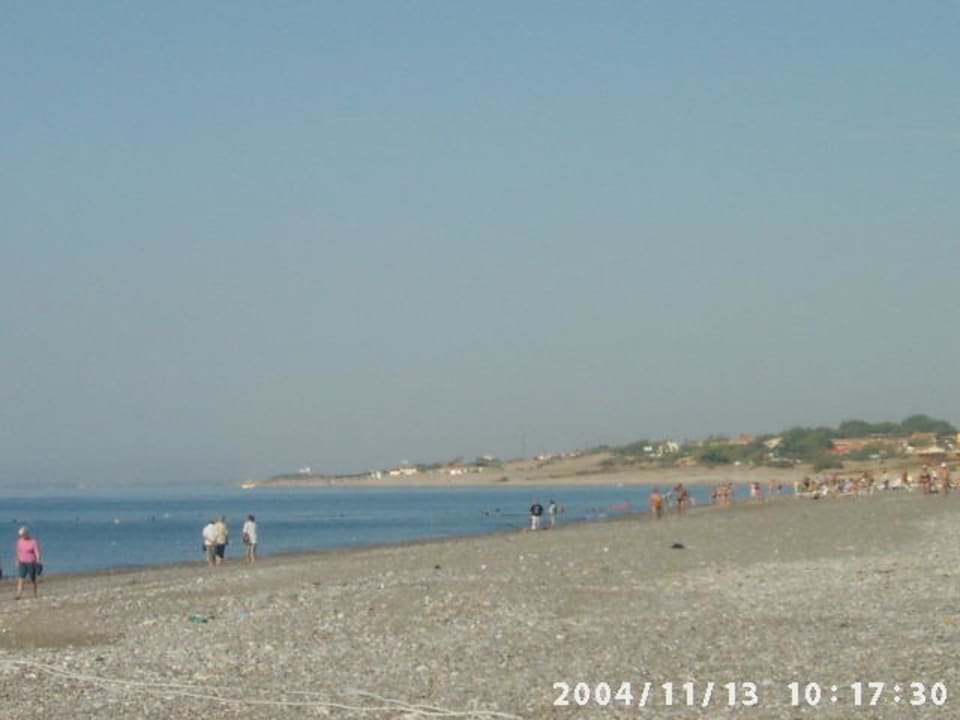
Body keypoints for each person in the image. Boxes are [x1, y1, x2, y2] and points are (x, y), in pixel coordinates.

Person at [15, 527, 41, 599]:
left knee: (33, 579)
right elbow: (18, 551)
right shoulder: (19, 541)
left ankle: (35, 593)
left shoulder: (33, 542)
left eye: (23, 534)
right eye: (21, 535)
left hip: (31, 562)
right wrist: (17, 560)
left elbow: (37, 552)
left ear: (26, 533)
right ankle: (18, 595)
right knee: (21, 578)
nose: (22, 536)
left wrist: (38, 560)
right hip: (22, 562)